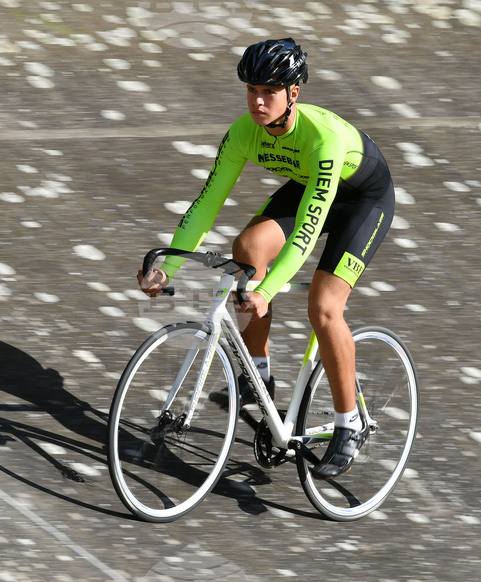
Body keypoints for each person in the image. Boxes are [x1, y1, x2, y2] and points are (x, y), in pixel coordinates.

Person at [137, 38, 396, 480]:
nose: (258, 102)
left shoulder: (324, 138)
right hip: (310, 184)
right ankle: (258, 376)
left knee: (324, 307)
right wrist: (168, 267)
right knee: (247, 250)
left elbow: (309, 230)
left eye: (270, 92)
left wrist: (267, 290)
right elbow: (206, 205)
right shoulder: (243, 132)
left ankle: (349, 422)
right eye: (252, 90)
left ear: (294, 93)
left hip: (362, 200)